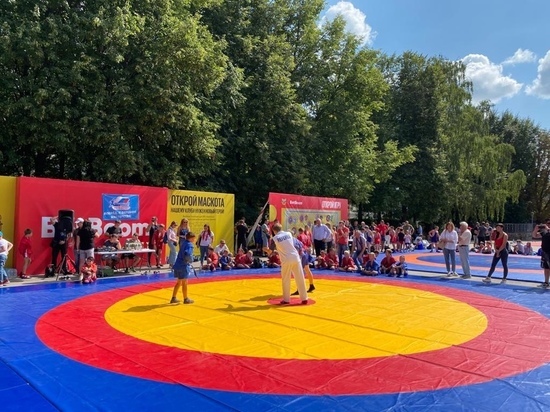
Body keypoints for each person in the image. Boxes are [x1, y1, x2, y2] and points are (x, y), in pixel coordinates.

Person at [269, 223, 308, 304]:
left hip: (286, 260)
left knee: (286, 279)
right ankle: (304, 298)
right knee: (300, 278)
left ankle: (286, 300)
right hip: (295, 257)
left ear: (274, 231)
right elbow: (290, 245)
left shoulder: (274, 238)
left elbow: (270, 251)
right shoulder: (289, 233)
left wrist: (265, 249)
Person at [170, 232, 196, 304]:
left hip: (177, 264)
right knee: (184, 282)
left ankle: (173, 297)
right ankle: (186, 299)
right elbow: (187, 253)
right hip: (183, 265)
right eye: (194, 238)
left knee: (179, 282)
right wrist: (190, 260)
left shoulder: (184, 243)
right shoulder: (189, 245)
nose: (194, 240)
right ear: (191, 238)